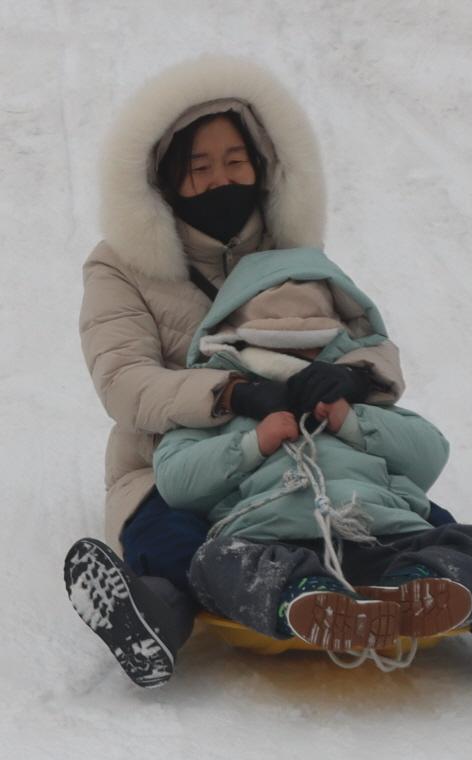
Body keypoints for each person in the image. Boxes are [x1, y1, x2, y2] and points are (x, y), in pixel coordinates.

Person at [152, 246, 472, 682]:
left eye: (312, 344)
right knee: (214, 563)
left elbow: (429, 454)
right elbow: (175, 482)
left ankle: (414, 591)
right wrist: (253, 444)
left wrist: (353, 421)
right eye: (279, 345)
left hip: (382, 541)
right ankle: (306, 600)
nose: (300, 355)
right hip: (272, 541)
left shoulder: (360, 405)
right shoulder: (224, 409)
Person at [63, 56, 410, 688]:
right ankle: (155, 617)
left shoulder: (292, 256)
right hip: (176, 461)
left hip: (299, 450)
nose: (220, 179)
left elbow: (370, 342)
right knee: (172, 540)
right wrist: (233, 393)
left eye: (234, 160)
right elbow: (122, 380)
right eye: (198, 167)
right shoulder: (120, 267)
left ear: (262, 164)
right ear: (164, 178)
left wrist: (355, 378)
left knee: (412, 517)